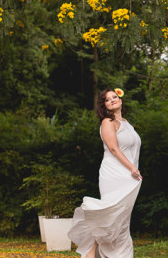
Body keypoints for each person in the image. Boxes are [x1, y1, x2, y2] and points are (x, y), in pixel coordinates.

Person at [68, 88, 143, 258]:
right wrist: (131, 167)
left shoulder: (127, 123)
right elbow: (113, 149)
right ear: (105, 106)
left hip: (130, 177)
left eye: (114, 97)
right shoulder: (107, 123)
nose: (112, 100)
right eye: (107, 100)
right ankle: (90, 252)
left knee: (121, 220)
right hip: (115, 174)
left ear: (121, 100)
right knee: (108, 215)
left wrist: (133, 170)